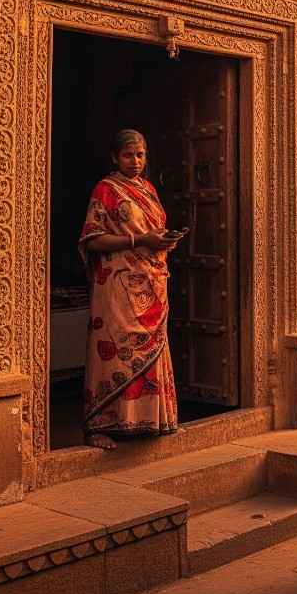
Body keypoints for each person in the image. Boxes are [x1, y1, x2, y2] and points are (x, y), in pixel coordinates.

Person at [78, 129, 182, 450]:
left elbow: (152, 230)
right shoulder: (106, 190)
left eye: (140, 155)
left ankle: (148, 420)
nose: (135, 161)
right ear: (114, 157)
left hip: (150, 282)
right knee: (115, 349)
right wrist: (140, 241)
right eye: (128, 155)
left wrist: (163, 241)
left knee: (151, 348)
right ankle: (100, 424)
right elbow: (92, 239)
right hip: (117, 287)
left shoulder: (147, 189)